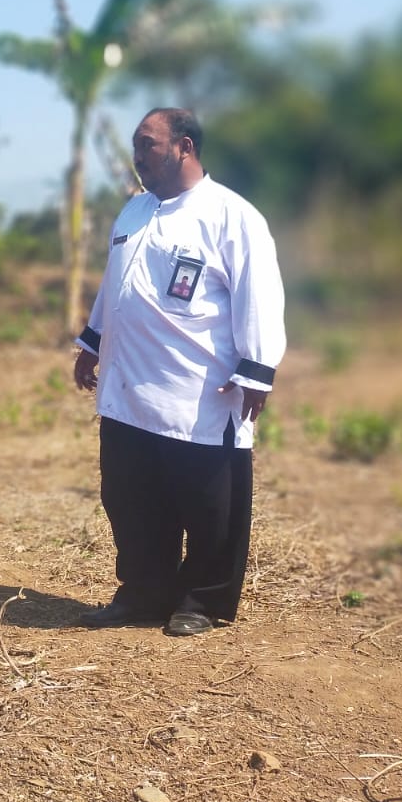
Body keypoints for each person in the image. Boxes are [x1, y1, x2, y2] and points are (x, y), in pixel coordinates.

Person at [73, 108, 286, 637]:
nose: (137, 155)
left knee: (210, 507)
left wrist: (256, 370)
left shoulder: (232, 216)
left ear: (184, 146)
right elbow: (114, 285)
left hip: (200, 391)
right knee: (129, 497)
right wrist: (92, 342)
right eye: (136, 146)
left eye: (147, 144)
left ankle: (203, 600)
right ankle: (144, 591)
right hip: (128, 389)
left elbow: (258, 295)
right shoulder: (133, 213)